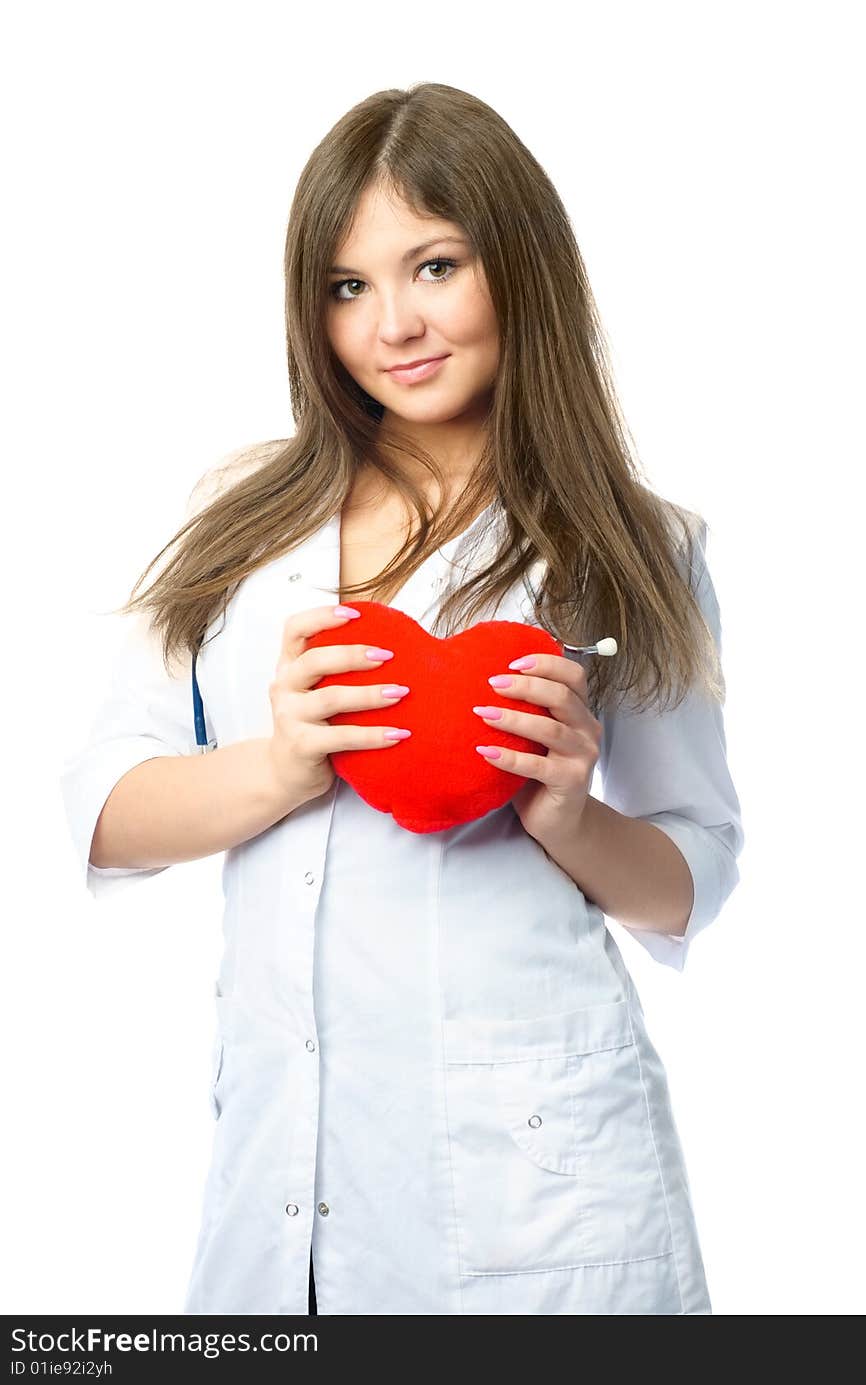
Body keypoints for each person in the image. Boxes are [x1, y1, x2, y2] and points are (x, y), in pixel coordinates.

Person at [59, 82, 744, 1316]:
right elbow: (105, 807)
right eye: (346, 286)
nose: (393, 325)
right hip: (283, 1181)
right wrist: (280, 764)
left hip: (540, 1181)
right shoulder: (243, 521)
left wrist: (567, 816)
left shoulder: (630, 545)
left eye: (434, 265)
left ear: (518, 268)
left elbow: (697, 869)